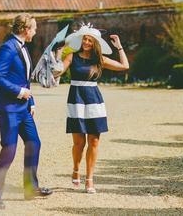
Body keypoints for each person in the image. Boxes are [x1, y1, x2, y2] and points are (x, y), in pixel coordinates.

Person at [55, 24, 129, 194]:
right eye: (85, 39)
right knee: (79, 143)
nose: (87, 42)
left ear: (95, 42)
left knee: (94, 141)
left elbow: (124, 66)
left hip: (94, 100)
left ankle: (89, 180)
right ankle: (75, 168)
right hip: (76, 100)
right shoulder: (72, 57)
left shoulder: (99, 59)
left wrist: (119, 46)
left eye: (90, 40)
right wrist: (59, 54)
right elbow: (57, 72)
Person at [0, 13, 52, 209]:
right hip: (8, 109)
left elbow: (23, 79)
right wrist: (19, 92)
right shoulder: (8, 48)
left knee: (34, 142)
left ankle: (30, 187)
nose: (36, 31)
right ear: (25, 30)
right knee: (9, 150)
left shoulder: (23, 47)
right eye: (33, 28)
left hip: (24, 109)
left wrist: (30, 100)